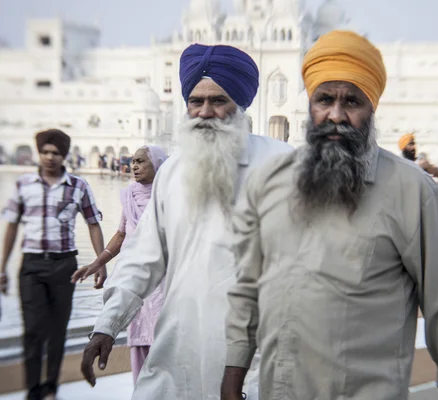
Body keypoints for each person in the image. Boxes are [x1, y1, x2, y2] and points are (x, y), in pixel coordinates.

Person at [221, 30, 438, 400]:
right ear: (310, 105)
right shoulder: (269, 182)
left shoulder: (413, 191)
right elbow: (246, 286)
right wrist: (233, 375)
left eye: (352, 102)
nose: (336, 115)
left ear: (371, 108)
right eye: (324, 99)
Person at [79, 43, 292, 399]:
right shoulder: (173, 172)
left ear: (240, 105)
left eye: (218, 101)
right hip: (181, 344)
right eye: (196, 101)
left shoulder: (282, 164)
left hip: (258, 351)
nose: (205, 111)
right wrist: (107, 325)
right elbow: (142, 257)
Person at [0, 129, 106, 400]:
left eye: (55, 153)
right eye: (45, 152)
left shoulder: (78, 186)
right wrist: (2, 268)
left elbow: (93, 223)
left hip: (65, 266)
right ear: (39, 153)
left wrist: (99, 262)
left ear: (64, 156)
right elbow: (11, 226)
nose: (49, 157)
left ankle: (51, 387)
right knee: (33, 329)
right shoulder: (25, 185)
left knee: (58, 328)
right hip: (32, 266)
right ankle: (33, 390)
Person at [71, 145, 167, 383]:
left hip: (162, 280)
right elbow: (121, 236)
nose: (134, 166)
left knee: (164, 338)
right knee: (139, 332)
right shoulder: (130, 195)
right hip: (132, 279)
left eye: (141, 161)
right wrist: (95, 264)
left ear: (158, 164)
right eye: (133, 161)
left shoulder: (170, 197)